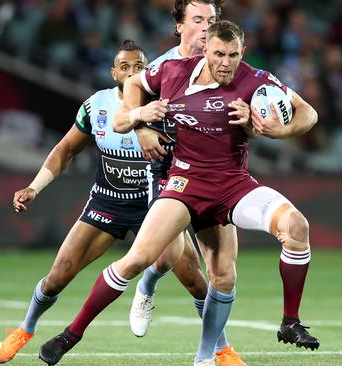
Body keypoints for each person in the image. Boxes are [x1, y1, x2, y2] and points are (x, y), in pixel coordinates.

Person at [38, 20, 319, 366]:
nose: (226, 63)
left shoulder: (255, 81)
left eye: (233, 55)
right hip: (184, 183)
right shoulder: (171, 71)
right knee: (138, 260)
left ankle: (281, 326)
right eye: (219, 54)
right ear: (206, 50)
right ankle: (72, 333)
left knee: (290, 232)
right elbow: (134, 86)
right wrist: (139, 119)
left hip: (233, 185)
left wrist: (280, 129)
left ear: (242, 52)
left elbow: (309, 112)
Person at [0, 40, 174, 364]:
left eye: (139, 66)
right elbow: (66, 149)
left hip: (156, 205)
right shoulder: (96, 106)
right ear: (114, 72)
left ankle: (219, 347)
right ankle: (25, 328)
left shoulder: (162, 106)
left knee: (187, 273)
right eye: (125, 67)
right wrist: (34, 187)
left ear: (148, 71)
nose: (132, 72)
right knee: (58, 275)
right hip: (107, 203)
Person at [126, 3, 245, 365]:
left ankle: (218, 352)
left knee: (219, 271)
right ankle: (147, 284)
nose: (206, 27)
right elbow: (131, 92)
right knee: (167, 258)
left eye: (211, 20)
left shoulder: (226, 66)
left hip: (213, 178)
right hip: (167, 172)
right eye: (197, 20)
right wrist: (141, 127)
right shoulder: (164, 67)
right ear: (179, 26)